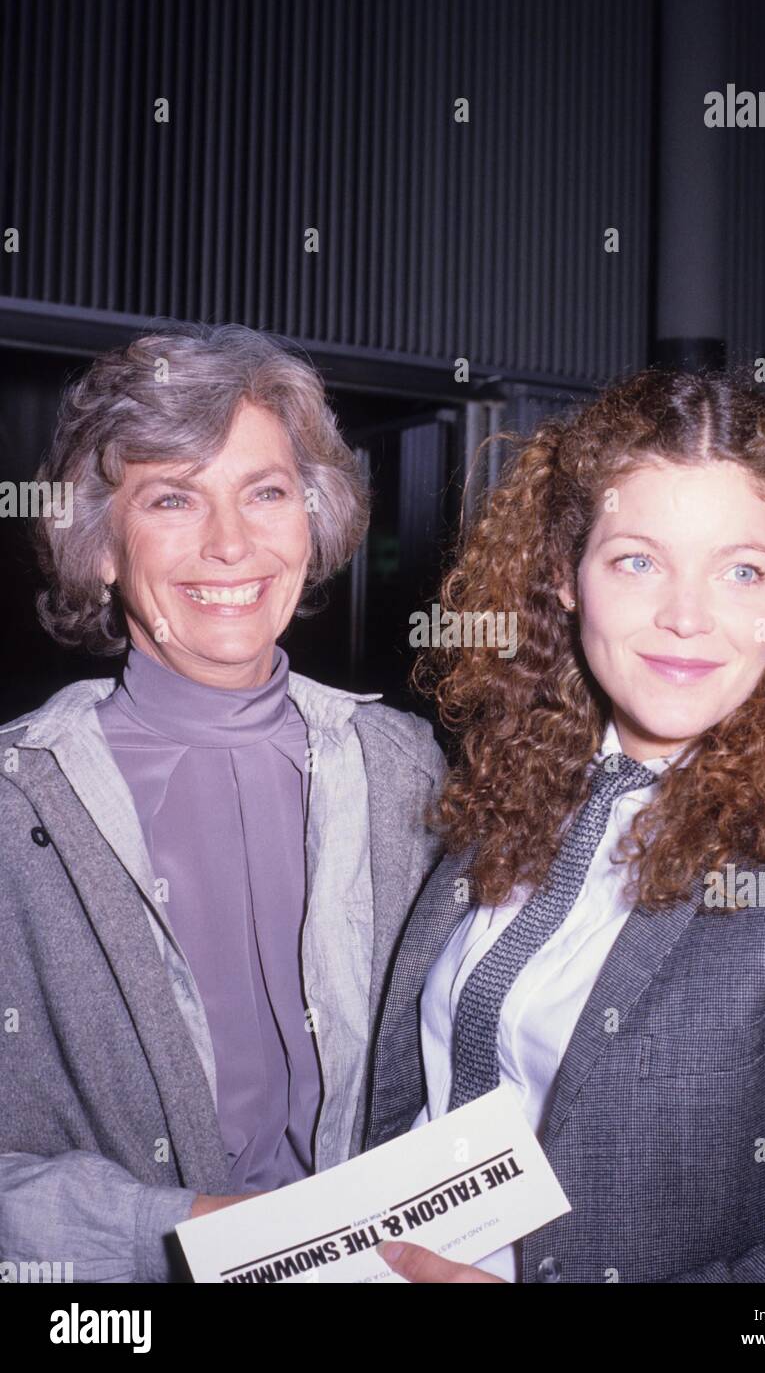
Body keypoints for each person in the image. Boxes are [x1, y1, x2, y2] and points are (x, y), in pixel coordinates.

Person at [369, 368, 765, 1284]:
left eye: (742, 570)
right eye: (638, 559)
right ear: (562, 574)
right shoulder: (511, 786)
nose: (686, 615)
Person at [0, 323, 445, 1283]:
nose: (231, 544)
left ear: (312, 520)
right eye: (171, 498)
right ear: (102, 547)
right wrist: (199, 1231)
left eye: (266, 492)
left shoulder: (406, 768)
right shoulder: (13, 810)